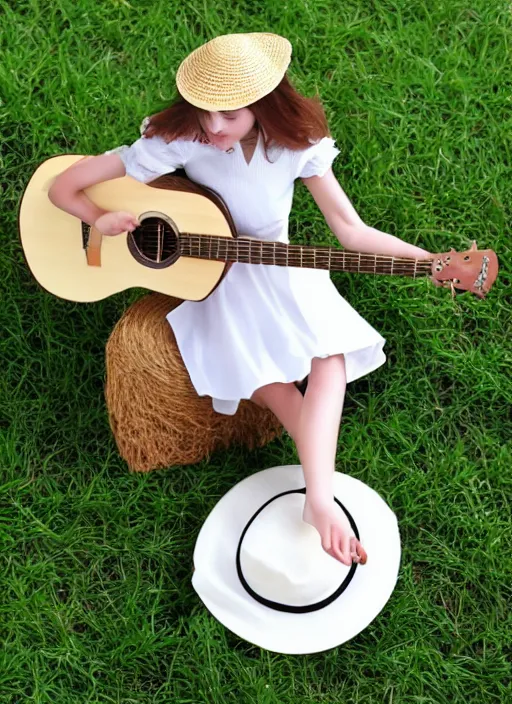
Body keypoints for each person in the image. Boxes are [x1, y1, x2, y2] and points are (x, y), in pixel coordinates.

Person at [48, 32, 432, 567]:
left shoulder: (297, 148)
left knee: (331, 360)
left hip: (281, 266)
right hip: (216, 280)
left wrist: (428, 263)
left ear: (264, 104)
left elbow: (351, 230)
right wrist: (100, 219)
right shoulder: (179, 141)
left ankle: (318, 498)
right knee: (271, 386)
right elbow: (61, 189)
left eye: (228, 113)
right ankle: (322, 498)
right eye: (204, 111)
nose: (213, 126)